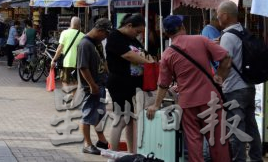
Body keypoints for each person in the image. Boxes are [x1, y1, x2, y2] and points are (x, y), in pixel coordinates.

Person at [145, 15, 231, 162]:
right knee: (218, 141)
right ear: (183, 27)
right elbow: (226, 58)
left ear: (167, 34)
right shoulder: (201, 40)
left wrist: (156, 105)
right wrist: (219, 76)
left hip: (188, 104)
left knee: (194, 143)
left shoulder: (167, 54)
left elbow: (163, 84)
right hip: (211, 99)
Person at [217, 1, 263, 162]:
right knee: (251, 126)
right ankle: (256, 158)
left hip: (234, 89)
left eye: (218, 15)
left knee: (236, 128)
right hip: (249, 86)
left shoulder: (228, 36)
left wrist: (218, 79)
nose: (217, 18)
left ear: (225, 15)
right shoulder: (243, 31)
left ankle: (239, 160)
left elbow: (226, 63)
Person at [105, 13, 154, 153]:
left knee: (131, 120)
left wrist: (152, 61)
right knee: (120, 119)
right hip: (119, 84)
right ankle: (113, 153)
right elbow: (128, 55)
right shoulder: (115, 36)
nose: (138, 35)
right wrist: (149, 63)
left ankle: (132, 152)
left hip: (134, 85)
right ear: (129, 25)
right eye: (137, 31)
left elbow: (144, 53)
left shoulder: (133, 40)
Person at [77, 18, 112, 155]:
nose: (106, 37)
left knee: (99, 114)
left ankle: (101, 140)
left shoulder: (97, 44)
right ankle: (87, 144)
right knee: (87, 115)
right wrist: (92, 85)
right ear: (99, 31)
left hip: (100, 84)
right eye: (105, 34)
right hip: (91, 87)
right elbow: (83, 67)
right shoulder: (85, 44)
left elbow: (103, 62)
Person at [51, 17, 84, 85]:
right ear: (79, 25)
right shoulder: (83, 36)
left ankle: (68, 94)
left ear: (71, 24)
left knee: (65, 80)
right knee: (76, 81)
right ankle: (74, 95)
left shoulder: (64, 33)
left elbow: (60, 48)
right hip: (78, 62)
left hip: (67, 62)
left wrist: (54, 59)